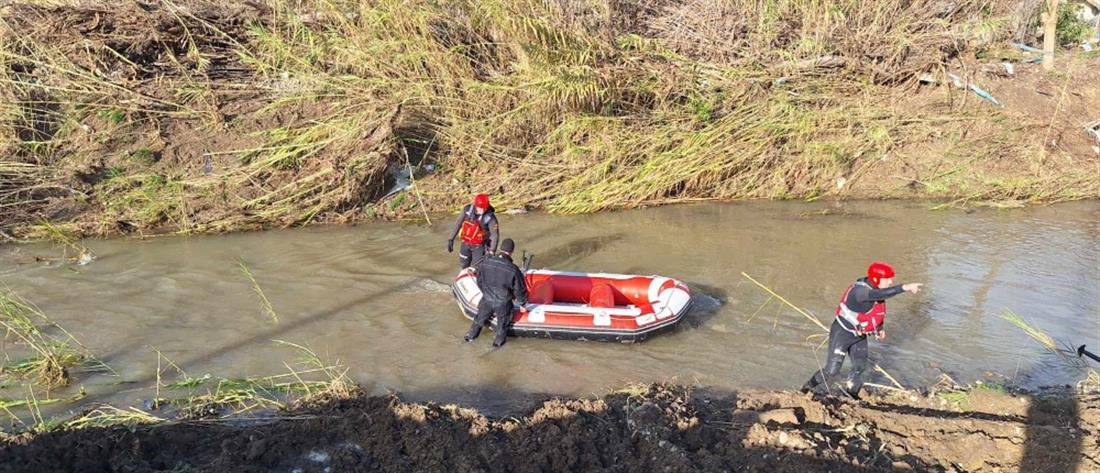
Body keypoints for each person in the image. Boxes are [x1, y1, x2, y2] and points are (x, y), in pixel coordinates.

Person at [803, 262, 923, 400]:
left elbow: (876, 312)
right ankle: (807, 390)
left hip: (859, 336)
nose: (891, 281)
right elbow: (881, 294)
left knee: (860, 367)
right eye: (888, 279)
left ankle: (850, 395)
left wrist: (879, 327)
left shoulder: (876, 290)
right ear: (876, 279)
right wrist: (905, 287)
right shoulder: (860, 292)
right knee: (832, 370)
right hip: (843, 333)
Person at [464, 238, 528, 348]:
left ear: (500, 248)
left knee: (478, 322)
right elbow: (519, 290)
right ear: (512, 251)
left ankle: (468, 339)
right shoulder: (514, 269)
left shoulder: (485, 262)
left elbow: (479, 280)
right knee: (501, 329)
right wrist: (522, 304)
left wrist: (486, 292)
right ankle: (496, 347)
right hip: (503, 303)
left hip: (486, 299)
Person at [447, 193, 499, 269]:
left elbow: (494, 235)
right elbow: (458, 223)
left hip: (479, 247)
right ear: (475, 206)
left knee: (476, 268)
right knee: (464, 265)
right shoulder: (467, 210)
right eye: (480, 208)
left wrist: (492, 251)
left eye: (484, 208)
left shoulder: (490, 218)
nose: (482, 210)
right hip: (465, 244)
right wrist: (451, 239)